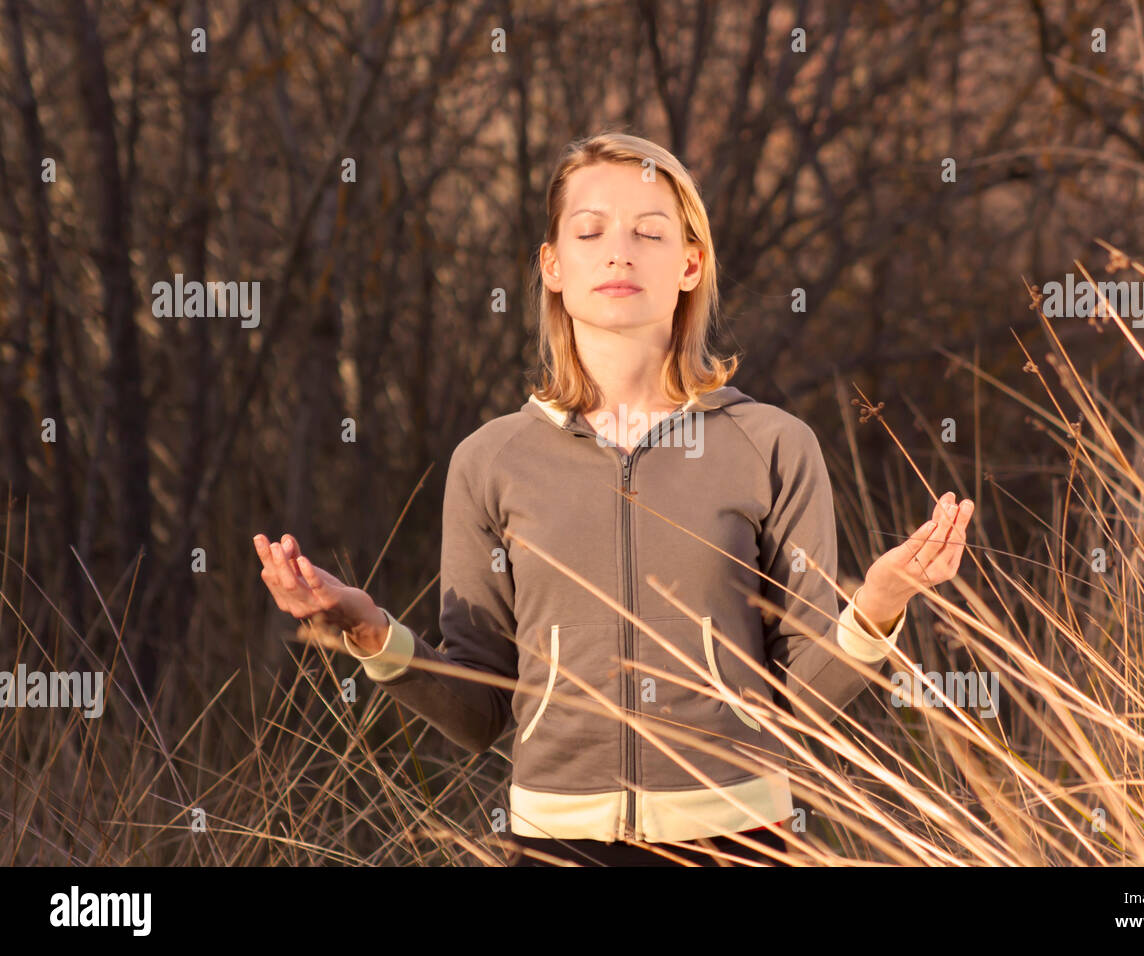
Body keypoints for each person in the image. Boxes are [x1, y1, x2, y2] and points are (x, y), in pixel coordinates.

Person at [253, 130, 973, 867]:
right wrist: (370, 631)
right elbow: (478, 713)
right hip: (555, 844)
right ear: (553, 266)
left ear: (690, 264)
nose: (619, 251)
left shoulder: (772, 444)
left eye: (650, 232)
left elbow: (801, 703)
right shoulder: (491, 461)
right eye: (591, 230)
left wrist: (880, 604)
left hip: (743, 841)